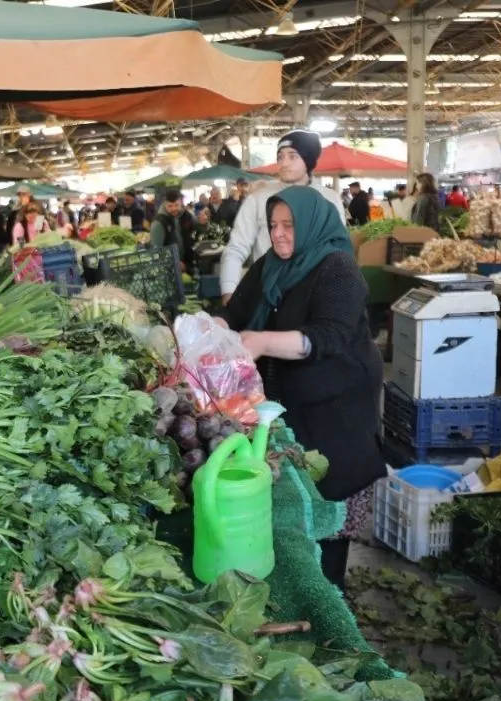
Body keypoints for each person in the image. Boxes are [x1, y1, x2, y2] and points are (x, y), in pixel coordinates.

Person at [214, 185, 383, 591]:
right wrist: (209, 331)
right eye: (272, 225)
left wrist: (260, 341)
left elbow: (328, 336)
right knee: (294, 498)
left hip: (336, 409)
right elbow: (233, 313)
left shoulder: (337, 267)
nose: (278, 234)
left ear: (310, 225)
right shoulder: (269, 267)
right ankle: (302, 586)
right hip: (287, 405)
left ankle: (331, 595)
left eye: (288, 225)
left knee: (329, 502)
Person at [219, 130, 347, 304]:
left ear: (308, 160)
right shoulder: (258, 199)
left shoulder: (330, 200)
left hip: (314, 296)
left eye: (292, 156)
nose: (284, 163)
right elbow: (236, 249)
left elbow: (338, 250)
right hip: (267, 295)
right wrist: (229, 291)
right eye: (280, 157)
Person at [149, 189, 195, 277]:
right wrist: (174, 262)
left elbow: (195, 228)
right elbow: (156, 250)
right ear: (164, 205)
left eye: (176, 205)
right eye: (170, 206)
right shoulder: (159, 222)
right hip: (169, 271)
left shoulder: (186, 215)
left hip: (187, 266)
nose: (174, 208)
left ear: (181, 203)